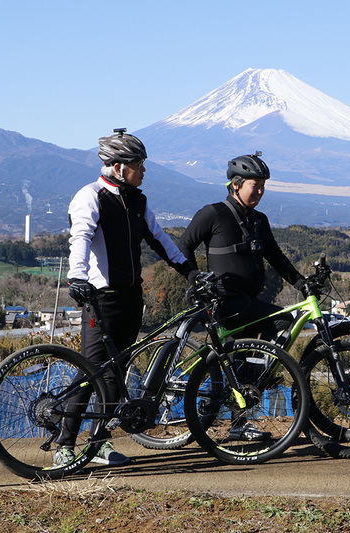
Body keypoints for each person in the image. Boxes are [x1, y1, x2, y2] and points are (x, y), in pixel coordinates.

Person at [59, 128, 197, 467]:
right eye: (139, 164)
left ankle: (100, 441)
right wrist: (76, 276)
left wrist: (190, 271)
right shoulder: (90, 196)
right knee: (90, 369)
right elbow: (81, 237)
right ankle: (65, 444)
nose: (145, 170)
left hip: (131, 298)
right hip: (100, 298)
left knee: (114, 372)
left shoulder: (138, 200)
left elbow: (159, 238)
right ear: (118, 167)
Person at [178, 152, 307, 440]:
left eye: (263, 186)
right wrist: (194, 278)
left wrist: (301, 282)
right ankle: (254, 382)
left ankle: (241, 416)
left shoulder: (259, 220)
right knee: (282, 320)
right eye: (254, 185)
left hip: (248, 300)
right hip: (224, 300)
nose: (260, 191)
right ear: (236, 184)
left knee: (246, 357)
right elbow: (184, 246)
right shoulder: (213, 213)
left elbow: (276, 256)